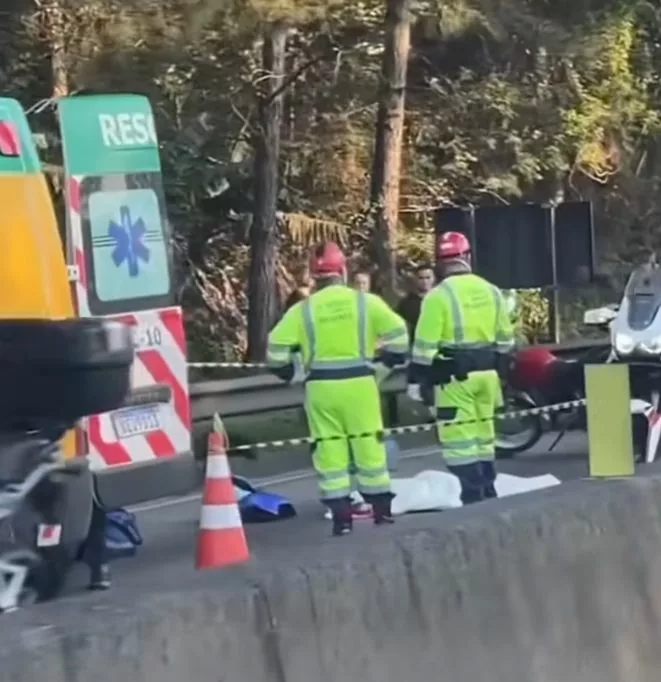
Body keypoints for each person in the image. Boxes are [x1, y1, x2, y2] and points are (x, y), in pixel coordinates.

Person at [266, 242, 409, 536]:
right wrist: (383, 363)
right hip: (360, 384)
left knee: (329, 448)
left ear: (315, 277)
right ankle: (381, 511)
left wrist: (291, 372)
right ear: (343, 271)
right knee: (369, 443)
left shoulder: (303, 310)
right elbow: (398, 335)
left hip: (321, 388)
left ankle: (341, 516)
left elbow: (275, 350)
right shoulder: (365, 302)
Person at [408, 232, 514, 505]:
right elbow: (506, 340)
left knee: (459, 444)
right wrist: (501, 372)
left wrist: (417, 381)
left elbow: (423, 348)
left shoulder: (436, 297)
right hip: (487, 376)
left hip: (455, 379)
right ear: (467, 257)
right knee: (483, 438)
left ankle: (473, 495)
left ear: (440, 263)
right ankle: (489, 490)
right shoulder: (491, 290)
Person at [396, 263, 435, 337]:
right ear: (415, 279)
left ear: (433, 278)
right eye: (421, 278)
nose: (424, 281)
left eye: (428, 277)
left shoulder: (441, 299)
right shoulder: (406, 304)